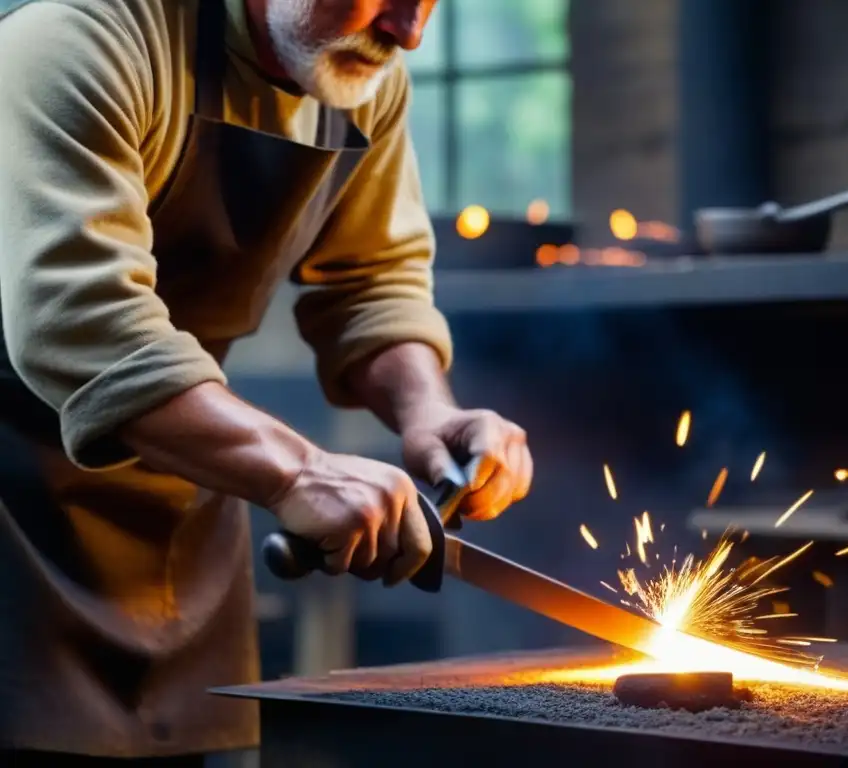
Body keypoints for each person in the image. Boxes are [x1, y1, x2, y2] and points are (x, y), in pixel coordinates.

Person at [0, 0, 533, 763]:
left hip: (187, 490)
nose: (410, 31)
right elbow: (82, 325)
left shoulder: (363, 77)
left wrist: (428, 411)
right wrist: (301, 470)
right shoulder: (75, 39)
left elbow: (373, 282)